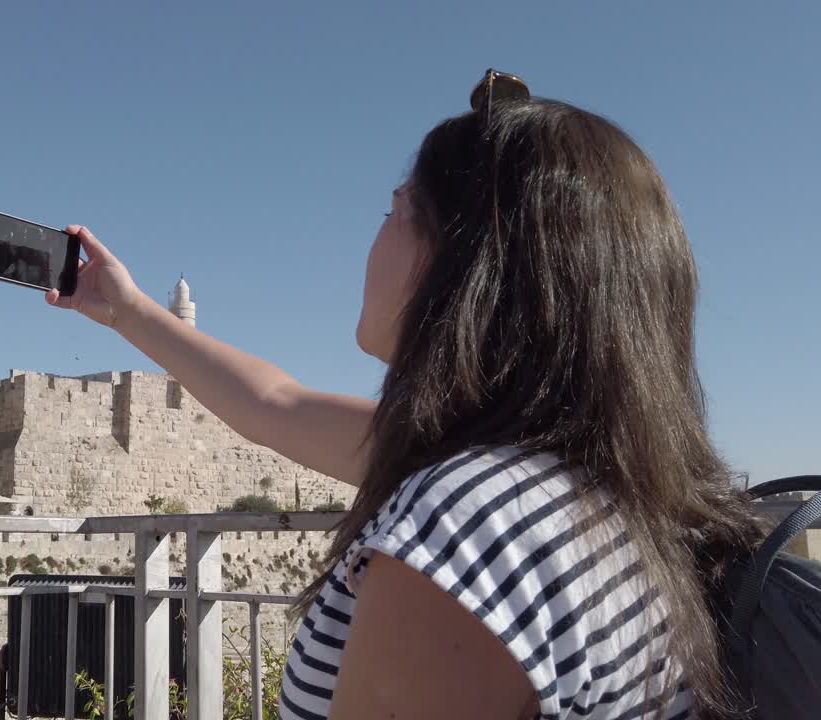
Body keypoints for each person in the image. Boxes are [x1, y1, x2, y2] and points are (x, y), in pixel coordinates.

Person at [45, 69, 765, 719]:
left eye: (394, 210)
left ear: (458, 260)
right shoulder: (583, 486)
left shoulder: (471, 526)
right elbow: (276, 406)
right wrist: (129, 311)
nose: (376, 234)